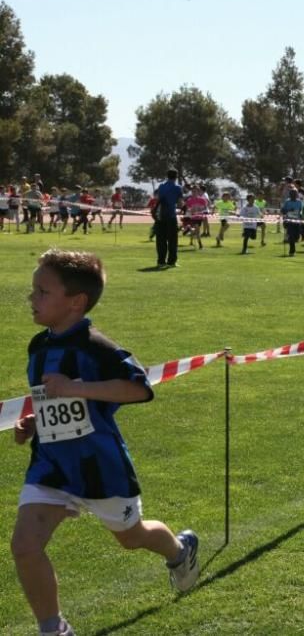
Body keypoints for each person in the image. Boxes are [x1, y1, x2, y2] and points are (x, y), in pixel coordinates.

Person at [12, 250, 200, 636]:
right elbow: (54, 400)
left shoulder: (98, 347)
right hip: (51, 466)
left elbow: (138, 389)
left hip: (99, 468)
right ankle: (54, 629)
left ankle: (180, 552)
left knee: (132, 538)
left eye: (42, 291)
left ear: (76, 302)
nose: (32, 298)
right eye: (34, 290)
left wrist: (77, 388)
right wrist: (35, 423)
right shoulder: (38, 346)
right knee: (25, 545)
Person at [155, 172, 183, 268]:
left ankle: (161, 261)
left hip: (160, 216)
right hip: (171, 216)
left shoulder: (161, 186)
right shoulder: (177, 187)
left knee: (161, 240)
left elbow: (158, 198)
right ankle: (171, 261)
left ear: (167, 176)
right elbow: (180, 204)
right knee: (172, 240)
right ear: (176, 177)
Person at [281, 188, 303, 256]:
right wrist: (289, 211)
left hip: (297, 221)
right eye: (292, 193)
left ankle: (292, 247)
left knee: (296, 237)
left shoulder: (299, 202)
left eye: (295, 193)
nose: (293, 195)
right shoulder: (287, 202)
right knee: (291, 237)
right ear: (290, 194)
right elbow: (283, 211)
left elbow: (300, 211)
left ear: (296, 194)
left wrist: (301, 215)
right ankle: (292, 251)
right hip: (289, 221)